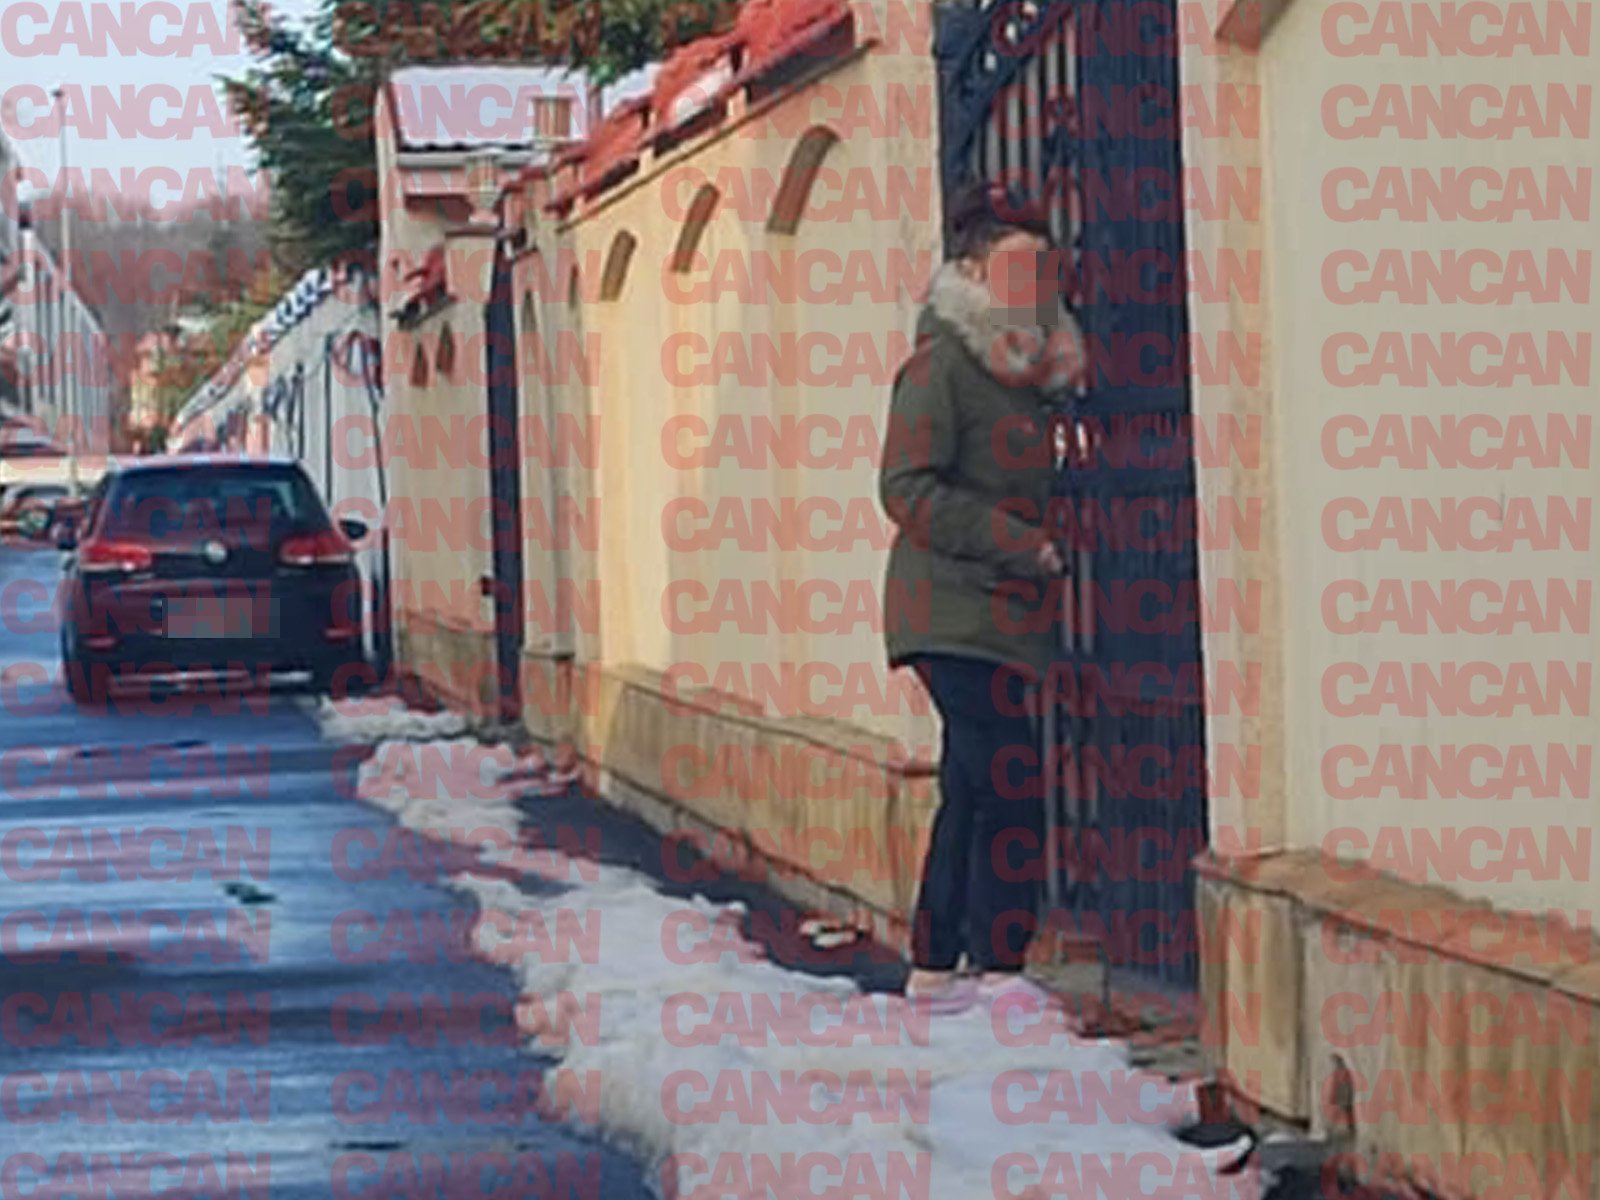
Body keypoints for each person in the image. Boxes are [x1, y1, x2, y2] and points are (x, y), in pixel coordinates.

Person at [878, 182, 1086, 1014]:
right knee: (1009, 776)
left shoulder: (1032, 369)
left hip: (1002, 613)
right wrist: (1018, 542)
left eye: (1040, 268)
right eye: (1012, 268)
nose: (1030, 284)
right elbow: (905, 487)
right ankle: (996, 964)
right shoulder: (943, 365)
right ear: (971, 275)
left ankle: (938, 964)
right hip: (946, 610)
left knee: (973, 783)